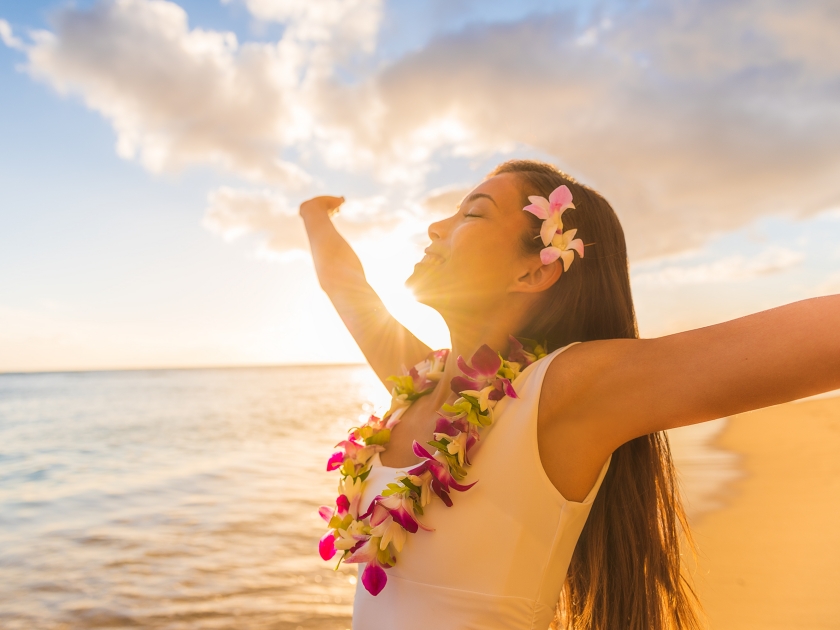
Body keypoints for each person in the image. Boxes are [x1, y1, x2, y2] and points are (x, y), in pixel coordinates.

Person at [299, 159, 840, 630]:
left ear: (535, 270)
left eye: (473, 213)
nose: (436, 226)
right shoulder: (417, 383)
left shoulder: (562, 393)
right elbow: (345, 286)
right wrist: (313, 215)